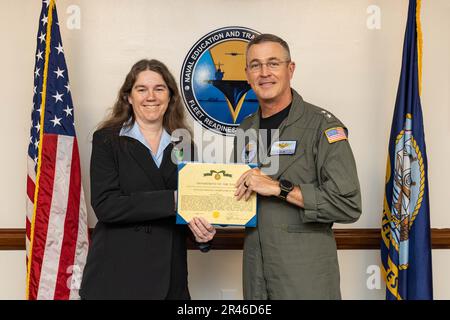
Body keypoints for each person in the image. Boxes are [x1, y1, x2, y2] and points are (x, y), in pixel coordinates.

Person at [233, 34, 362, 299]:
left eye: (273, 63)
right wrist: (204, 215)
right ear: (247, 74)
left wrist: (279, 189)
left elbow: (348, 205)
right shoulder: (245, 128)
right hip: (256, 275)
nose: (264, 73)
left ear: (290, 69)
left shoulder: (323, 126)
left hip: (305, 278)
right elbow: (238, 196)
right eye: (255, 65)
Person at [80, 59, 215, 300]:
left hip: (170, 279)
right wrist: (172, 200)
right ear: (129, 97)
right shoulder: (107, 140)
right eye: (141, 89)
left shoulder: (185, 145)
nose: (150, 96)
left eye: (159, 88)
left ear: (170, 97)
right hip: (117, 276)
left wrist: (201, 235)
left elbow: (191, 209)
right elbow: (106, 206)